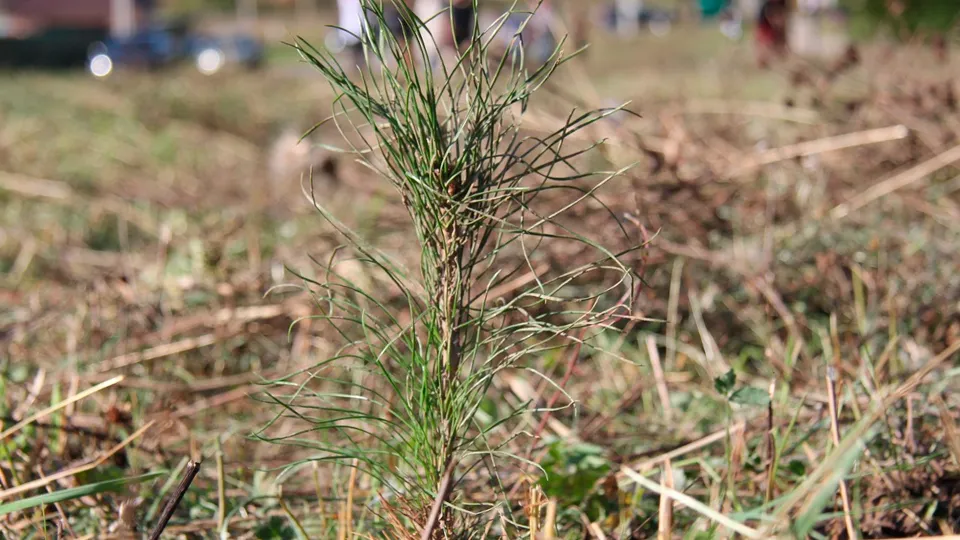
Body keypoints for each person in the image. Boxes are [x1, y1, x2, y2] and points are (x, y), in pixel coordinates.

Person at [755, 0, 788, 68]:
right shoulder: (767, 5)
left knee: (778, 43)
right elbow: (769, 15)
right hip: (765, 24)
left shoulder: (783, 3)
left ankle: (779, 58)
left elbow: (783, 14)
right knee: (765, 43)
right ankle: (763, 61)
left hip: (774, 23)